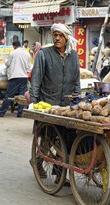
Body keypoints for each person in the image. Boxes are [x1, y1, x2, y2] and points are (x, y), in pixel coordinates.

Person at [29, 23, 80, 185]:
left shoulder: (73, 56)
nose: (57, 38)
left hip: (66, 106)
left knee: (65, 140)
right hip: (48, 105)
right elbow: (36, 80)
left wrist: (77, 99)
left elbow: (77, 80)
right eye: (55, 35)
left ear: (66, 38)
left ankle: (59, 174)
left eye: (60, 35)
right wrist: (33, 103)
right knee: (47, 138)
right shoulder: (44, 54)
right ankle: (37, 160)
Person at [0, 40, 31, 117]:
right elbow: (28, 67)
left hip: (15, 76)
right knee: (22, 96)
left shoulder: (13, 53)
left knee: (9, 95)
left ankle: (1, 113)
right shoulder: (27, 53)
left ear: (14, 46)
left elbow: (7, 63)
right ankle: (20, 113)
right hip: (24, 77)